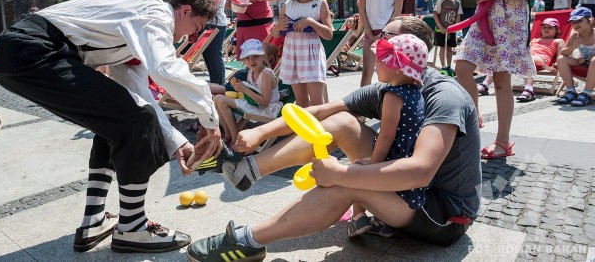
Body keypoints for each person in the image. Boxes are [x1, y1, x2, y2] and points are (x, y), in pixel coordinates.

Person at [186, 16, 480, 261]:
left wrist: (344, 172)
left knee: (343, 184)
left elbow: (420, 171)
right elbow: (318, 111)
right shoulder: (392, 85)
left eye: (384, 39)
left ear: (407, 49)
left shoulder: (444, 96)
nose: (373, 43)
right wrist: (261, 131)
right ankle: (247, 169)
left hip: (441, 212)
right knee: (340, 122)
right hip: (408, 190)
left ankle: (246, 241)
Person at [0, 0, 229, 254]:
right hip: (35, 50)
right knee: (136, 120)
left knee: (117, 122)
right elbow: (165, 69)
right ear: (185, 11)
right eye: (195, 26)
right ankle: (133, 228)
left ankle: (94, 222)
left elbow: (138, 92)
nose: (193, 35)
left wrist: (175, 143)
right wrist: (211, 121)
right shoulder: (154, 12)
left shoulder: (132, 29)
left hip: (23, 52)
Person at [454, 0, 538, 159]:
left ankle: (502, 142)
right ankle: (474, 117)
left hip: (511, 24)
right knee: (462, 66)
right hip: (485, 21)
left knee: (502, 82)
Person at [347, 33, 428, 238]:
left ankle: (358, 218)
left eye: (382, 61)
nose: (376, 64)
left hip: (392, 157)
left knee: (357, 173)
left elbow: (387, 135)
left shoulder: (393, 94)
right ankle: (384, 222)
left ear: (398, 67)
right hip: (406, 159)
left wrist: (373, 166)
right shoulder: (415, 92)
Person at [273, 0, 333, 107]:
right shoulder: (288, 5)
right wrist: (278, 26)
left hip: (311, 56)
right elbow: (275, 35)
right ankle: (304, 131)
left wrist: (311, 22)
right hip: (292, 55)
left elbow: (329, 34)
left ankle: (320, 130)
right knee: (301, 103)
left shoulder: (320, 2)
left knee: (317, 103)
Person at [477, 18, 565, 102]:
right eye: (544, 27)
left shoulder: (558, 41)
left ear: (557, 30)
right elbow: (525, 50)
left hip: (541, 59)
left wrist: (557, 66)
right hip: (527, 56)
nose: (546, 29)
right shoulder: (535, 40)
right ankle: (485, 84)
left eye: (550, 27)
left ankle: (529, 89)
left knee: (526, 58)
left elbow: (560, 56)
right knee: (502, 58)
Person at [213, 39, 282, 145]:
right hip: (255, 104)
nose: (251, 61)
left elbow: (265, 102)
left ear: (263, 57)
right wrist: (240, 88)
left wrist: (245, 89)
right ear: (244, 61)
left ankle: (236, 140)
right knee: (217, 98)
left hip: (267, 109)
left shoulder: (266, 74)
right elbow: (252, 93)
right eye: (247, 58)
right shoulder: (251, 72)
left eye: (255, 56)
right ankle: (228, 135)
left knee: (222, 101)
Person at [556, 7, 595, 107]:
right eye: (574, 22)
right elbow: (563, 53)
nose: (576, 24)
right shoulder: (575, 35)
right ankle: (571, 91)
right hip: (584, 63)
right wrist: (573, 47)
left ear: (590, 21)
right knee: (561, 59)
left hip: (591, 62)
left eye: (579, 21)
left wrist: (587, 58)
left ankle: (587, 93)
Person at [199, 0, 228, 85]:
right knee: (208, 58)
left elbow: (210, 5)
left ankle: (219, 86)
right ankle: (215, 85)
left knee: (215, 57)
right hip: (207, 24)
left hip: (215, 24)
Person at [432, 0, 463, 69]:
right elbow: (435, 14)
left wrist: (456, 27)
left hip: (452, 30)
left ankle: (449, 66)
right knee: (442, 47)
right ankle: (443, 66)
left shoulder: (458, 2)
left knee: (450, 48)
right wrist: (440, 27)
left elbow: (458, 15)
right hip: (441, 29)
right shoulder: (441, 1)